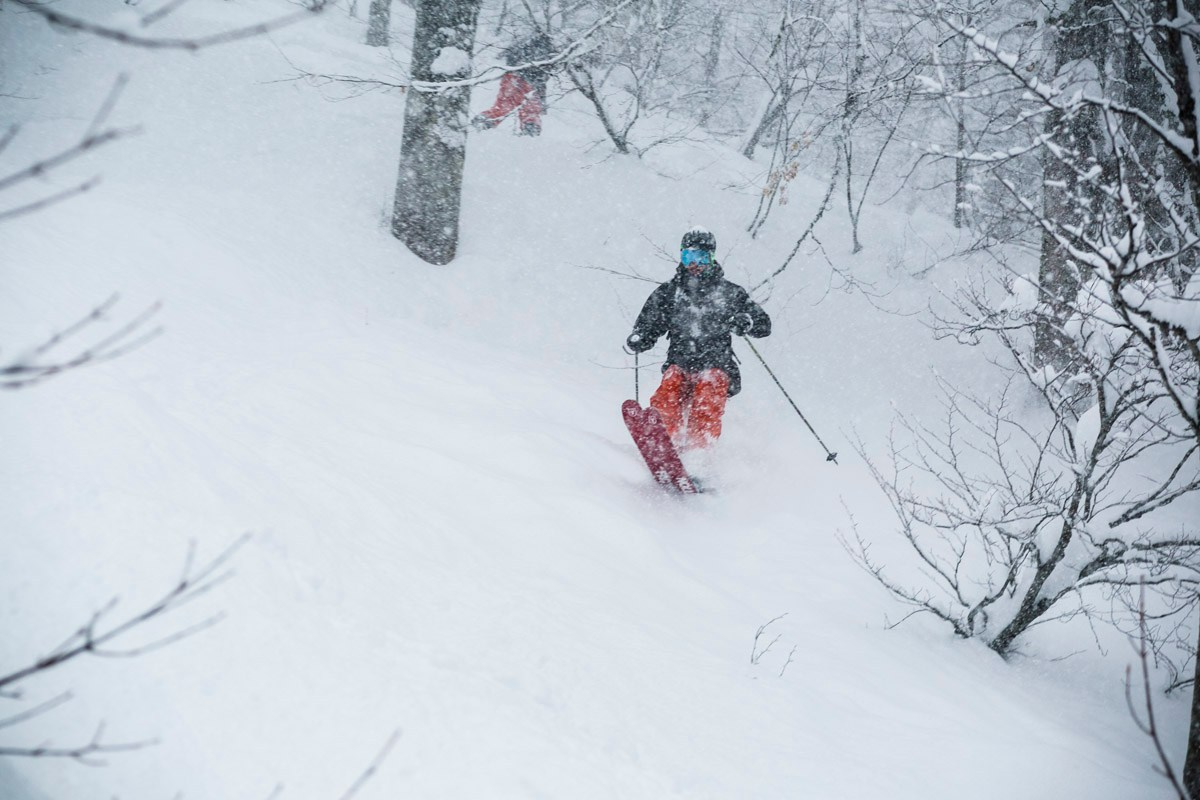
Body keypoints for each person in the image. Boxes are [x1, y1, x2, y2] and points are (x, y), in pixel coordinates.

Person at [625, 228, 771, 450]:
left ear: (712, 258)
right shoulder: (669, 293)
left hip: (717, 364)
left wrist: (746, 321)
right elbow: (649, 324)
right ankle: (665, 444)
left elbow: (764, 325)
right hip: (680, 362)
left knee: (707, 392)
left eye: (701, 258)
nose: (695, 264)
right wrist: (640, 337)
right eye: (688, 257)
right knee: (669, 389)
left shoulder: (729, 293)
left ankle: (698, 453)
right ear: (682, 257)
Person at [472, 32, 554, 136]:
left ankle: (484, 120)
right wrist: (541, 99)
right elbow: (544, 75)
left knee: (502, 106)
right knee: (530, 111)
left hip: (511, 76)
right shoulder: (549, 51)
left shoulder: (523, 43)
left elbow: (509, 56)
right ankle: (530, 133)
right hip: (531, 81)